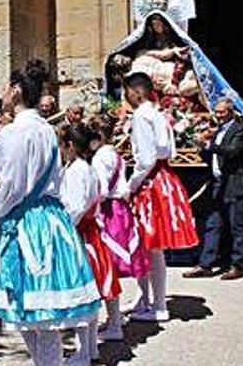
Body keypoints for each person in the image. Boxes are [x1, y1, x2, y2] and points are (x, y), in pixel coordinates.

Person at [0, 60, 100, 366]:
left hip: (27, 224)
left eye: (6, 86)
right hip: (52, 221)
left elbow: (13, 187)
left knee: (30, 309)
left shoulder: (14, 132)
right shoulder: (47, 129)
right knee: (45, 313)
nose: (3, 92)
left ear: (15, 91)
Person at [125, 72, 198, 321]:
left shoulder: (142, 116)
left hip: (151, 183)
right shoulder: (157, 114)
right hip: (164, 178)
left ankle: (157, 306)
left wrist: (130, 186)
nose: (126, 97)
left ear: (136, 91)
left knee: (151, 246)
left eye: (127, 91)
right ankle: (147, 299)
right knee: (151, 247)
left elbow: (145, 159)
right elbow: (169, 150)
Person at [60, 123, 121, 364]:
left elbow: (76, 207)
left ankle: (84, 352)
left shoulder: (79, 170)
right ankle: (89, 349)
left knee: (83, 294)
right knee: (89, 292)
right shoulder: (81, 167)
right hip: (87, 234)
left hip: (81, 236)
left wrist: (62, 231)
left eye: (62, 144)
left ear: (71, 146)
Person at [90, 115, 144, 341]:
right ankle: (114, 320)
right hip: (119, 210)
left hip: (109, 212)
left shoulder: (100, 157)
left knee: (106, 268)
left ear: (98, 136)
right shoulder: (115, 154)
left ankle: (114, 324)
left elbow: (100, 190)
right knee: (109, 268)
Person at [185, 98, 243, 280]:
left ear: (230, 112)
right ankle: (206, 264)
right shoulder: (218, 131)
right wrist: (201, 148)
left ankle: (238, 264)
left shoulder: (241, 129)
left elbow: (232, 151)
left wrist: (209, 145)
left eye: (221, 112)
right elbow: (214, 155)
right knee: (213, 224)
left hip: (235, 185)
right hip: (217, 184)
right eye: (217, 111)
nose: (218, 115)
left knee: (237, 226)